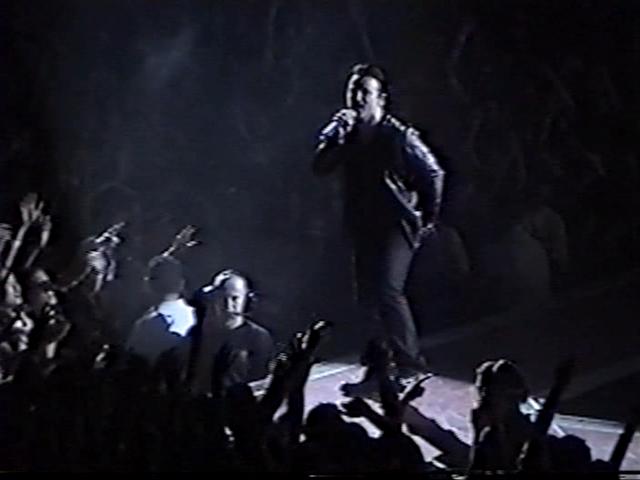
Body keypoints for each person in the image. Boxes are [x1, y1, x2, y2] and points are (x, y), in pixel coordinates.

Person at [312, 64, 445, 388]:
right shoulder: (347, 135)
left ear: (380, 98)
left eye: (365, 92)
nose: (358, 98)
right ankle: (378, 364)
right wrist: (334, 136)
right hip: (363, 223)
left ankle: (410, 363)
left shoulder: (398, 136)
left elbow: (433, 173)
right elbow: (320, 166)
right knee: (367, 298)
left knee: (387, 289)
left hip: (396, 223)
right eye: (353, 91)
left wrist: (427, 216)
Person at [187, 269, 274, 395]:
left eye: (235, 298)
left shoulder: (259, 337)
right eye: (222, 299)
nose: (228, 306)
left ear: (246, 300)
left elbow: (261, 382)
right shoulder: (197, 334)